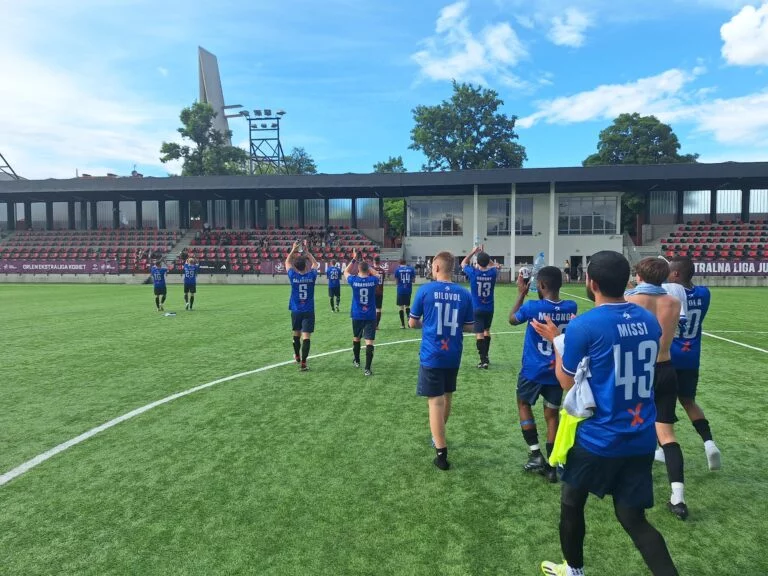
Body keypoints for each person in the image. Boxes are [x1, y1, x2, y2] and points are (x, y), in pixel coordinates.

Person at [534, 251, 678, 576]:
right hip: (641, 437)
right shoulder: (648, 321)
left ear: (591, 282)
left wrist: (558, 343)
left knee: (571, 502)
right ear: (627, 280)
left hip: (601, 437)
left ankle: (573, 570)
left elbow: (567, 381)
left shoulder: (585, 324)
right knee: (633, 519)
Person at [624, 257, 688, 520]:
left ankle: (627, 487)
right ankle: (678, 498)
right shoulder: (673, 302)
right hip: (666, 368)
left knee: (630, 427)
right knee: (667, 433)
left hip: (639, 371)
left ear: (639, 274)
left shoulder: (630, 300)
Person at [509, 266, 577, 482]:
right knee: (551, 415)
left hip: (533, 369)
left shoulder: (532, 307)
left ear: (541, 285)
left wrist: (521, 293)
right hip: (557, 370)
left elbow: (512, 319)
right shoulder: (571, 305)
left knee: (523, 403)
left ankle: (535, 453)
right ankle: (552, 464)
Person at [409, 251, 474, 471]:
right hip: (453, 353)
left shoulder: (425, 290)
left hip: (432, 354)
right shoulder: (464, 294)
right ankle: (439, 437)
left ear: (436, 267)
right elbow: (470, 326)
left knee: (435, 401)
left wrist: (428, 323)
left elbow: (412, 323)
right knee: (447, 397)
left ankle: (441, 452)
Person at [667, 256, 721, 470]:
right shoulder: (704, 293)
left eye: (670, 272)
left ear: (677, 274)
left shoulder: (669, 295)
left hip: (669, 355)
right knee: (688, 401)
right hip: (691, 356)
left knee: (661, 403)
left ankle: (662, 448)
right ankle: (709, 443)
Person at [461, 245, 500, 368]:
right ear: (488, 262)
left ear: (477, 262)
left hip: (476, 307)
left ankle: (483, 360)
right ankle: (486, 356)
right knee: (487, 331)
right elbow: (495, 266)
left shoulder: (473, 273)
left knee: (479, 333)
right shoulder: (493, 272)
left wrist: (473, 252)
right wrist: (485, 255)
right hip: (489, 307)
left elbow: (463, 263)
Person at [344, 252, 380, 376]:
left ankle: (357, 360)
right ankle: (367, 369)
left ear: (358, 269)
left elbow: (345, 271)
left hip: (357, 314)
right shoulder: (373, 280)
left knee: (356, 338)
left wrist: (354, 260)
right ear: (367, 269)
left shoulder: (354, 280)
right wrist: (367, 264)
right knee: (369, 342)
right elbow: (377, 274)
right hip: (370, 315)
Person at [285, 241, 319, 372]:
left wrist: (293, 250)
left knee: (296, 333)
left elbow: (287, 263)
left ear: (295, 267)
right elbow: (316, 264)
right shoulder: (311, 276)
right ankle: (304, 363)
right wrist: (308, 253)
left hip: (296, 310)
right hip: (308, 310)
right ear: (306, 265)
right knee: (306, 337)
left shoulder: (293, 276)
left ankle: (297, 355)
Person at [393, 258, 416, 329]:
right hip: (408, 290)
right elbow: (413, 280)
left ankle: (403, 325)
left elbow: (396, 282)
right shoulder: (411, 269)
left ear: (399, 263)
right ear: (405, 262)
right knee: (407, 306)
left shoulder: (397, 270)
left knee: (401, 307)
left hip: (400, 290)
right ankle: (409, 324)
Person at [371, 256, 386, 329]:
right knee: (378, 309)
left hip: (372, 292)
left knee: (371, 308)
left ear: (373, 261)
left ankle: (371, 324)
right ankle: (376, 325)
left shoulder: (371, 270)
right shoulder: (382, 271)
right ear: (379, 262)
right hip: (380, 292)